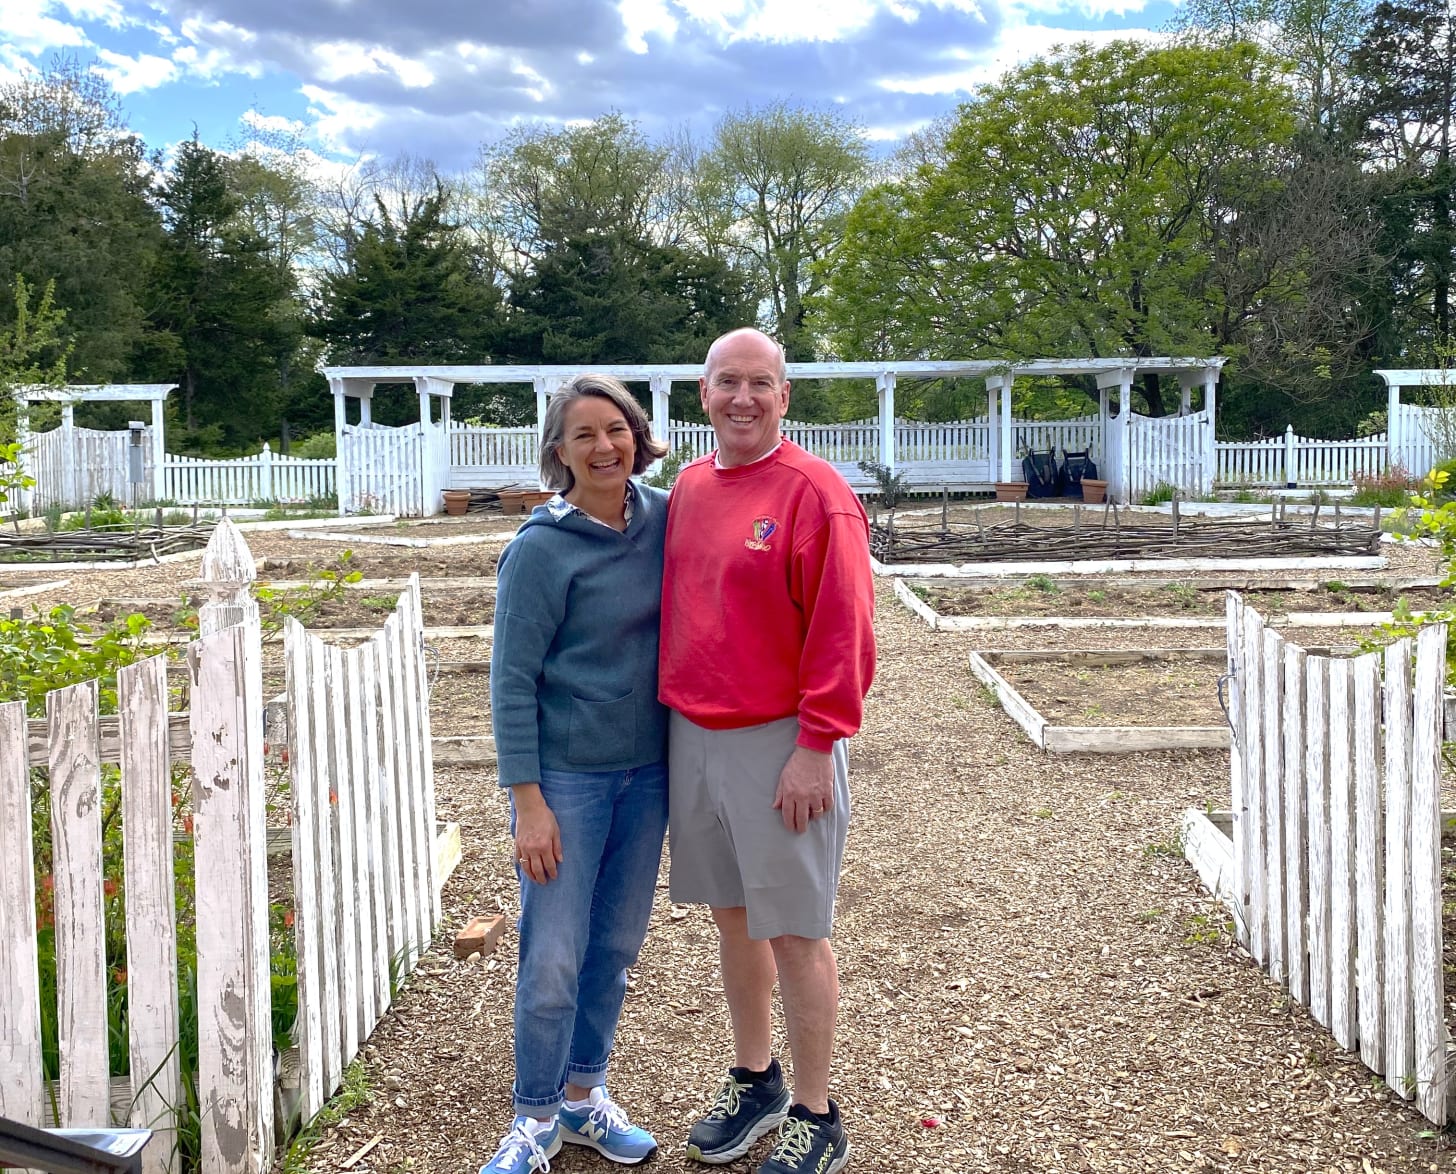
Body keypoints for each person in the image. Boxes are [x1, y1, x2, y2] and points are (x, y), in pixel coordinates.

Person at [659, 328, 876, 1174]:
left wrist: (817, 744)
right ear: (703, 394)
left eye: (760, 383)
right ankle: (755, 1079)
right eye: (726, 384)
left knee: (794, 929)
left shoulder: (814, 493)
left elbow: (845, 629)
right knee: (734, 919)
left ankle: (816, 1115)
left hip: (780, 739)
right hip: (695, 734)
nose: (741, 398)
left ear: (785, 397)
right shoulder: (688, 487)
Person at [481, 373, 671, 1174]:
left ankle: (586, 1098)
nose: (604, 447)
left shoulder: (665, 518)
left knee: (615, 946)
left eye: (617, 429)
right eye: (585, 435)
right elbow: (510, 679)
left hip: (650, 773)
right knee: (553, 951)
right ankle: (533, 1118)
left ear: (638, 435)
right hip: (568, 782)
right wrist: (529, 801)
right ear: (558, 452)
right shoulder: (540, 550)